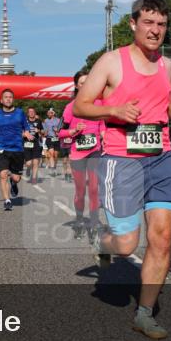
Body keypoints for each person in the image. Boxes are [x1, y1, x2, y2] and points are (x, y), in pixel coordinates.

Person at [74, 0, 171, 340]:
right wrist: (114, 112)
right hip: (122, 160)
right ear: (133, 24)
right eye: (149, 23)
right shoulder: (112, 61)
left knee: (162, 238)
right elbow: (81, 105)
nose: (156, 30)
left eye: (162, 24)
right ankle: (104, 241)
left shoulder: (167, 66)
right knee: (126, 245)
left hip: (161, 157)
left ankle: (144, 312)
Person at [59, 70, 104, 237]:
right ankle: (79, 219)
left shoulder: (98, 103)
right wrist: (73, 131)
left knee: (93, 188)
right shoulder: (70, 107)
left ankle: (93, 223)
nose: (85, 86)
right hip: (78, 153)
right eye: (82, 83)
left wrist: (103, 133)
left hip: (95, 151)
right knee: (80, 191)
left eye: (88, 82)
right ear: (77, 86)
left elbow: (102, 124)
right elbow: (60, 132)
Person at [0, 89, 27, 211]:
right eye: (6, 97)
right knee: (3, 174)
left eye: (10, 97)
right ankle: (7, 200)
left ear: (13, 99)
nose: (8, 99)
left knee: (16, 177)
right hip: (2, 148)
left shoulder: (20, 113)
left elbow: (26, 126)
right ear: (1, 100)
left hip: (17, 148)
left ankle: (14, 183)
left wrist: (26, 132)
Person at [23, 107, 43, 184]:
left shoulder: (38, 121)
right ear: (28, 113)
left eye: (33, 111)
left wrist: (39, 131)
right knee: (29, 163)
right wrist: (25, 135)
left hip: (36, 144)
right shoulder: (24, 121)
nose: (31, 113)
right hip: (26, 143)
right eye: (30, 112)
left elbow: (43, 132)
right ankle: (28, 169)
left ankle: (34, 178)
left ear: (35, 113)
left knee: (35, 162)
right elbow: (20, 132)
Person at [43, 107, 62, 176]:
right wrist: (44, 133)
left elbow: (61, 130)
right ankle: (52, 169)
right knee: (51, 153)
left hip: (56, 138)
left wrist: (57, 131)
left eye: (50, 113)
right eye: (47, 113)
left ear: (53, 113)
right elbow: (44, 130)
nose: (48, 114)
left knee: (55, 155)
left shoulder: (58, 120)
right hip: (49, 138)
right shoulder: (45, 121)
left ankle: (55, 167)